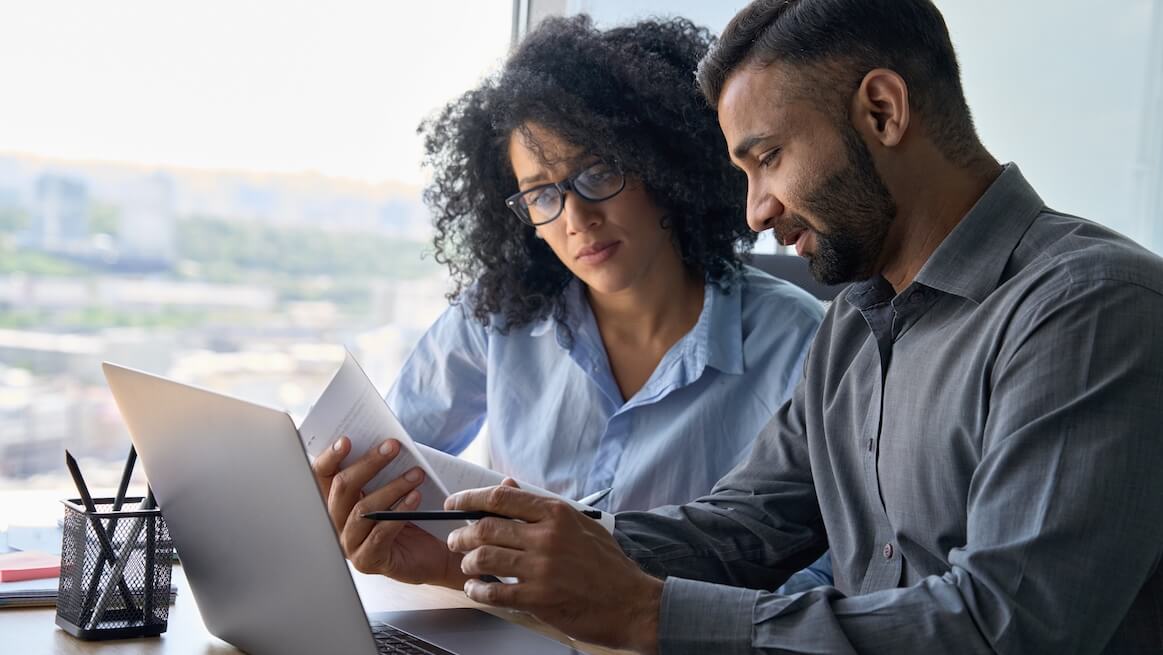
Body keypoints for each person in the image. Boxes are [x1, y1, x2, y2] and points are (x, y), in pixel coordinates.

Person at [317, 0, 1163, 652]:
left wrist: (649, 613)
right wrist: (492, 557)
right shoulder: (857, 326)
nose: (756, 210)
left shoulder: (1090, 307)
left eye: (766, 158)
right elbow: (743, 527)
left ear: (881, 110)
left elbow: (1004, 628)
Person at [316, 16, 831, 589]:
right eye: (541, 194)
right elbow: (394, 455)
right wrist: (353, 504)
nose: (577, 218)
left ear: (664, 168)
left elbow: (829, 572)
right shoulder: (497, 317)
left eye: (599, 173)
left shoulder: (800, 343)